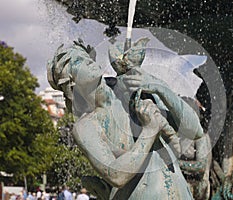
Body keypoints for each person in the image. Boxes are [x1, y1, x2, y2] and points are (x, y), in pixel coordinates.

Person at [47, 39, 203, 199]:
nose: (87, 60)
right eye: (78, 61)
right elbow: (116, 176)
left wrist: (160, 87)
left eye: (85, 56)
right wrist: (149, 131)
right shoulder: (86, 127)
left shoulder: (131, 88)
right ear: (71, 82)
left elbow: (195, 131)